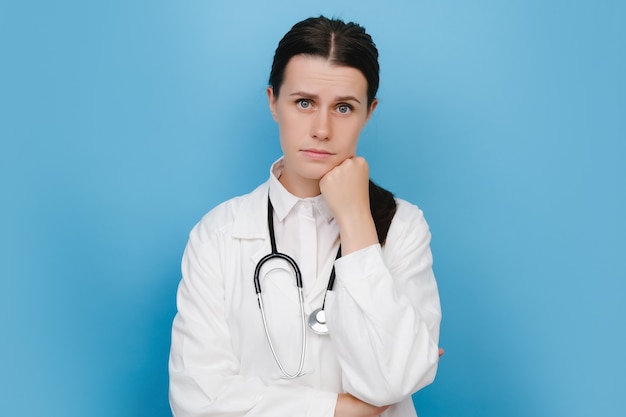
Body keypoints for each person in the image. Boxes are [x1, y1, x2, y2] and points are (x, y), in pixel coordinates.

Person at [169, 16, 442, 417]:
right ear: (272, 102)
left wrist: (355, 221)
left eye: (344, 108)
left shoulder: (403, 227)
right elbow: (198, 402)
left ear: (369, 113)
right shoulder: (218, 235)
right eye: (303, 103)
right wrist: (340, 410)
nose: (322, 129)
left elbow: (393, 380)